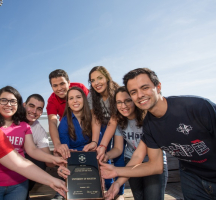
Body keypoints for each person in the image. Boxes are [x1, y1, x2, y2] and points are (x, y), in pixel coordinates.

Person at [100, 68, 216, 200]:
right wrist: (117, 180)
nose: (139, 95)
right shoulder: (150, 126)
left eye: (145, 87)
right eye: (134, 92)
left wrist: (116, 172)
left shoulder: (198, 107)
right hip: (191, 177)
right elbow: (147, 161)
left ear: (158, 86)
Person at [0, 86, 66, 200]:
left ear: (17, 105)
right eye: (4, 100)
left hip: (18, 184)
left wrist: (56, 159)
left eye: (13, 101)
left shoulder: (24, 126)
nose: (8, 104)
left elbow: (32, 150)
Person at [100, 86, 168, 200]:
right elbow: (118, 148)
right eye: (119, 102)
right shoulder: (120, 121)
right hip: (130, 159)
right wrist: (106, 155)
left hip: (153, 160)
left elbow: (139, 155)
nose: (123, 106)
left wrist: (117, 181)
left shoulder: (148, 118)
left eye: (127, 100)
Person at [84, 66, 125, 199]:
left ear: (107, 77)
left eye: (100, 78)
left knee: (119, 156)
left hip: (120, 124)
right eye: (93, 80)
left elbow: (114, 121)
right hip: (103, 125)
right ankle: (107, 188)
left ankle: (119, 192)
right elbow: (95, 120)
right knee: (101, 154)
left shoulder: (116, 91)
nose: (97, 82)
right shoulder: (91, 95)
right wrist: (96, 142)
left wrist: (102, 145)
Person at [46, 69, 89, 159]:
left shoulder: (80, 87)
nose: (59, 88)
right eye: (55, 86)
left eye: (62, 83)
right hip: (69, 127)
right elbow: (52, 121)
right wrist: (57, 144)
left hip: (87, 123)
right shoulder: (52, 101)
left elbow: (93, 109)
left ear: (69, 82)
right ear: (52, 87)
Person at [23, 94, 54, 199]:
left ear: (41, 112)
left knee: (39, 161)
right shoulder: (10, 120)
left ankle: (24, 190)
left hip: (22, 171)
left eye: (39, 109)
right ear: (24, 105)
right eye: (31, 106)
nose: (34, 111)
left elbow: (49, 162)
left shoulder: (38, 129)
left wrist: (59, 156)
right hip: (1, 166)